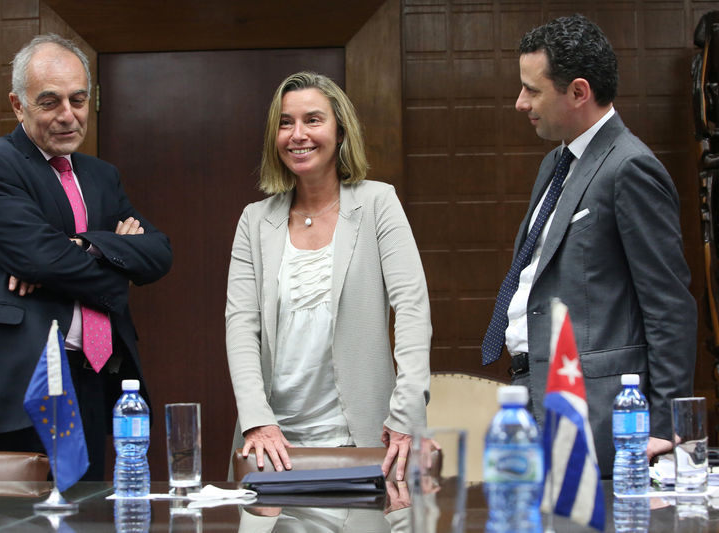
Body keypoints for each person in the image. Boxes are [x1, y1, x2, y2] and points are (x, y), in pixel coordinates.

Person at [481, 14, 697, 475]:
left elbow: (669, 305)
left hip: (595, 409)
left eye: (532, 90)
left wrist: (664, 422)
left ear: (579, 92)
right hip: (534, 390)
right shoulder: (556, 162)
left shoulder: (630, 167)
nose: (520, 103)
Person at [0, 34, 172, 480]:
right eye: (50, 101)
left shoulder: (101, 175)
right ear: (18, 105)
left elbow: (157, 253)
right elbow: (41, 260)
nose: (68, 115)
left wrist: (84, 246)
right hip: (19, 383)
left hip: (94, 377)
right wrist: (115, 256)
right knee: (12, 525)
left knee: (87, 516)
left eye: (78, 100)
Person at [225, 72, 431, 481]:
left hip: (369, 439)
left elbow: (411, 311)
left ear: (340, 131)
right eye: (285, 123)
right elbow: (240, 326)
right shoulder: (254, 220)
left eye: (313, 120)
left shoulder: (378, 203)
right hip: (271, 443)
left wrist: (406, 413)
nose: (297, 134)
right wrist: (256, 419)